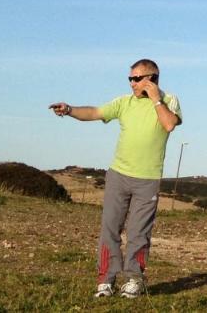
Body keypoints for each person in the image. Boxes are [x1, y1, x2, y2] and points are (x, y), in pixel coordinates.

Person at [49, 58, 182, 299]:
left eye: (136, 78)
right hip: (118, 175)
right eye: (129, 78)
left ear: (151, 79)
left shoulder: (169, 100)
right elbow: (94, 112)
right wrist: (69, 110)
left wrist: (155, 100)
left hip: (148, 179)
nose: (131, 83)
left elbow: (169, 124)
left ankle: (134, 280)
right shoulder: (124, 103)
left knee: (138, 233)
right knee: (109, 229)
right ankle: (105, 281)